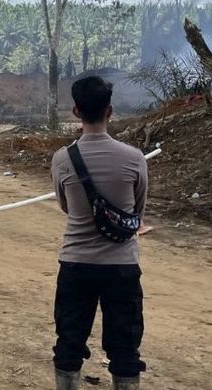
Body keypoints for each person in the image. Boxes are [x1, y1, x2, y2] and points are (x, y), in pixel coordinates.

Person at [50, 76, 148, 390]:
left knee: (69, 344)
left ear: (75, 111)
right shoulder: (135, 159)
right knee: (125, 348)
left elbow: (66, 206)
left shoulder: (62, 159)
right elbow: (136, 213)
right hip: (122, 266)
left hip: (76, 264)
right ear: (110, 111)